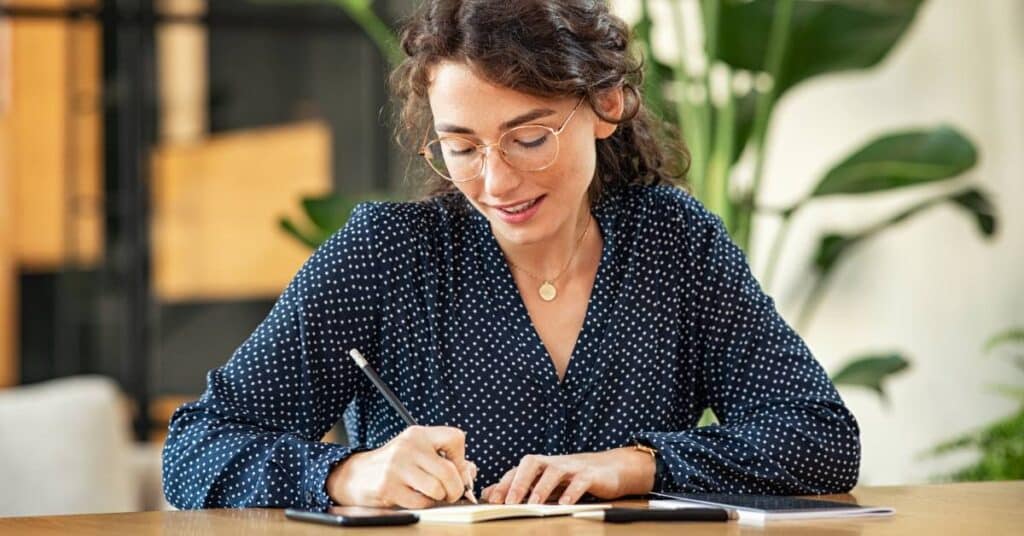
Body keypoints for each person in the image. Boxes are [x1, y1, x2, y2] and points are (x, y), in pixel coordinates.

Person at [162, 0, 861, 511]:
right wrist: (350, 474)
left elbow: (821, 437)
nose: (496, 183)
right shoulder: (385, 256)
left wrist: (639, 464)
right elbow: (196, 450)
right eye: (462, 147)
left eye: (529, 139)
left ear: (607, 104)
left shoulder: (672, 243)